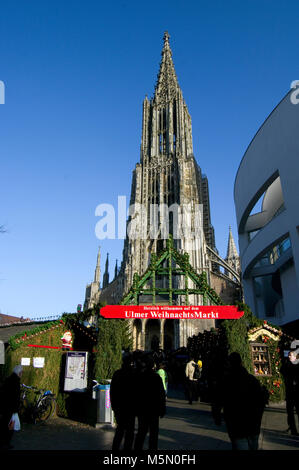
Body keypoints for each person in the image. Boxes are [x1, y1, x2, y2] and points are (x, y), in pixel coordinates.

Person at [213, 352, 267, 450]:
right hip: (253, 423)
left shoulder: (226, 380)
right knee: (253, 445)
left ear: (229, 364)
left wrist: (217, 416)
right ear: (241, 363)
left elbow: (218, 400)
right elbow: (261, 399)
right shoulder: (252, 379)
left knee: (240, 445)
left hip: (236, 424)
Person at [134, 355, 166, 451]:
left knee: (141, 432)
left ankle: (137, 449)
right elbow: (161, 395)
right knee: (153, 433)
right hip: (153, 410)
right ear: (153, 366)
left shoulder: (140, 377)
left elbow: (136, 393)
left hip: (142, 409)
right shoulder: (156, 378)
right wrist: (162, 409)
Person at [110, 354, 137, 451]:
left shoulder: (117, 373)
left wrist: (113, 406)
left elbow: (112, 391)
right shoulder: (134, 374)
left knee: (119, 430)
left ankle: (115, 449)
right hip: (130, 408)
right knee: (129, 432)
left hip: (119, 407)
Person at [0, 365, 23, 450]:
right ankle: (5, 443)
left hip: (4, 407)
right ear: (19, 373)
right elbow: (15, 397)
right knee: (10, 426)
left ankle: (3, 442)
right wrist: (16, 409)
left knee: (4, 424)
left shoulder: (8, 379)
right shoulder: (16, 382)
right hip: (11, 408)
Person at [281, 349, 299, 435]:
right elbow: (282, 370)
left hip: (297, 392)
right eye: (288, 355)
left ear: (295, 356)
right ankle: (293, 429)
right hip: (289, 392)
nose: (289, 356)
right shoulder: (287, 365)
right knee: (290, 412)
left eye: (290, 355)